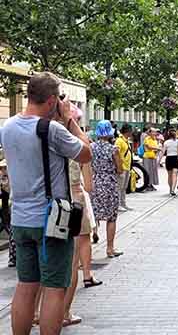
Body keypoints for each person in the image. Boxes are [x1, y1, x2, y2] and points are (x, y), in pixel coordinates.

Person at [0, 72, 92, 335]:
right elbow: (85, 153)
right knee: (53, 289)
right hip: (51, 222)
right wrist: (71, 122)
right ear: (52, 100)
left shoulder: (8, 127)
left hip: (20, 219)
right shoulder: (51, 130)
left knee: (26, 286)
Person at [62, 159, 102, 328]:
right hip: (75, 202)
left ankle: (36, 312)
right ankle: (64, 313)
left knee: (43, 262)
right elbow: (89, 185)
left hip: (42, 205)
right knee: (72, 260)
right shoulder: (77, 148)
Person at [91, 120, 124, 259]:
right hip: (109, 184)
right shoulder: (113, 149)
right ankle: (110, 249)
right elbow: (120, 169)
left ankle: (92, 240)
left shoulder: (90, 147)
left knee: (93, 215)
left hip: (94, 182)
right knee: (111, 217)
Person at [0, 159, 16, 268]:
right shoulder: (3, 179)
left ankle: (14, 257)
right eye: (2, 168)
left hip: (14, 208)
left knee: (12, 233)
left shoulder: (12, 177)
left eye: (5, 167)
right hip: (8, 209)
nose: (4, 170)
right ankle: (13, 258)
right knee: (11, 233)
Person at [115, 124, 133, 210]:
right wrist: (119, 166)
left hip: (127, 166)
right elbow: (116, 152)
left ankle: (123, 203)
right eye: (131, 131)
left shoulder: (126, 140)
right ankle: (118, 204)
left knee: (124, 187)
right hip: (122, 167)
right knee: (119, 186)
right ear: (127, 131)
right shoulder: (119, 140)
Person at [162, 129, 178, 196]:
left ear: (169, 135)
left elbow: (163, 152)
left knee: (169, 175)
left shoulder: (166, 142)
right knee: (175, 175)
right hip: (176, 159)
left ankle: (170, 189)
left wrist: (159, 160)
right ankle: (173, 190)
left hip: (169, 158)